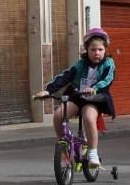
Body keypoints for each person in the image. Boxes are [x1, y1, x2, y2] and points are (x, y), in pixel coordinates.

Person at [35, 27, 116, 169]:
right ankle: (63, 146)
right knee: (59, 115)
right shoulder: (80, 64)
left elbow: (108, 79)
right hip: (77, 95)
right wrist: (48, 91)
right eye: (93, 49)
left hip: (96, 97)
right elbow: (64, 77)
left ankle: (92, 152)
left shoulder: (108, 63)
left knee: (89, 117)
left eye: (100, 50)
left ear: (105, 50)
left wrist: (95, 88)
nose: (96, 53)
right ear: (87, 50)